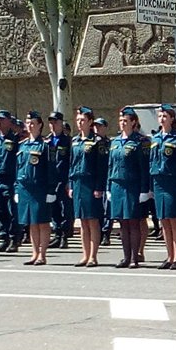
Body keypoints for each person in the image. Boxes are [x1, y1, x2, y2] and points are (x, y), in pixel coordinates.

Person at [149, 104, 176, 270]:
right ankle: (169, 255)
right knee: (164, 221)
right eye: (160, 116)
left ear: (172, 119)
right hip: (159, 183)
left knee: (174, 221)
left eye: (165, 116)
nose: (162, 119)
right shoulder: (155, 139)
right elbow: (151, 163)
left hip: (173, 183)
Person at [108, 106, 151, 269]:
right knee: (122, 224)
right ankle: (125, 257)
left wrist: (144, 190)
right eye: (120, 120)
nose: (122, 123)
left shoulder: (140, 142)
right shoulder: (115, 142)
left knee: (133, 223)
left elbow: (143, 168)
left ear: (133, 122)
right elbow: (110, 166)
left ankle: (134, 257)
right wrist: (108, 187)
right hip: (117, 186)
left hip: (132, 187)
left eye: (125, 120)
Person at [69, 106, 108, 267]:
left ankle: (93, 255)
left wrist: (99, 187)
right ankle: (85, 254)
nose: (80, 123)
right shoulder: (75, 141)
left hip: (91, 184)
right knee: (83, 221)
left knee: (92, 221)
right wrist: (70, 185)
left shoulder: (97, 142)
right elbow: (71, 164)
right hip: (78, 183)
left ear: (90, 121)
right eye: (78, 120)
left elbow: (101, 167)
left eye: (83, 120)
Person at [15, 111, 57, 265]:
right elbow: (17, 168)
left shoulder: (46, 145)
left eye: (33, 123)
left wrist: (51, 190)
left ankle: (42, 254)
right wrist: (16, 189)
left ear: (40, 125)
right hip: (25, 188)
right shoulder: (23, 145)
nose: (30, 125)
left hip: (40, 188)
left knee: (42, 222)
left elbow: (52, 169)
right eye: (28, 123)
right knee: (31, 222)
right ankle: (34, 253)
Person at [0, 110, 21, 253]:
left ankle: (14, 239)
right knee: (0, 211)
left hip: (10, 179)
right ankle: (5, 238)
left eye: (1, 119)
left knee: (12, 211)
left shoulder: (15, 139)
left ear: (9, 121)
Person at [46, 111, 72, 249]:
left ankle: (64, 236)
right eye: (51, 122)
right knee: (53, 208)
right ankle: (57, 234)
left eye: (55, 122)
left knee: (65, 209)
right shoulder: (47, 141)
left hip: (63, 179)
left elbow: (71, 162)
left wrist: (69, 181)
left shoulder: (68, 141)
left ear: (61, 123)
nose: (53, 125)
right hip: (51, 180)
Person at [93, 117, 112, 246]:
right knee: (98, 208)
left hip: (108, 178)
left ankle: (106, 233)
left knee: (107, 208)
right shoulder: (92, 142)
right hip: (96, 180)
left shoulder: (109, 143)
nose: (97, 128)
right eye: (95, 126)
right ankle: (99, 232)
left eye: (100, 126)